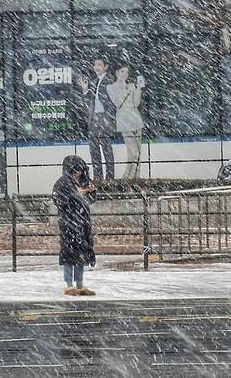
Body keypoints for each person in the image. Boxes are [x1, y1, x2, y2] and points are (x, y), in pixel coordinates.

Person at [52, 155, 97, 296]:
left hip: (82, 222)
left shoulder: (84, 181)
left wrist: (90, 191)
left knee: (82, 252)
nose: (80, 173)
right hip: (68, 222)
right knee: (69, 252)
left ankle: (80, 284)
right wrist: (79, 193)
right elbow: (61, 199)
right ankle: (69, 284)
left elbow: (90, 200)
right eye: (77, 170)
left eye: (82, 170)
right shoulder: (62, 183)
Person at [77, 57, 116, 181]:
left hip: (104, 120)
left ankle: (110, 179)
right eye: (95, 65)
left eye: (99, 64)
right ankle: (98, 178)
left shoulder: (110, 81)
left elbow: (113, 102)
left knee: (107, 151)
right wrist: (84, 90)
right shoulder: (93, 81)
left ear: (106, 66)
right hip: (94, 120)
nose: (96, 67)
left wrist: (108, 118)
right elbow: (88, 103)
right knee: (94, 152)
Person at [106, 62, 144, 180]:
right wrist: (125, 90)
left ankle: (135, 177)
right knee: (134, 152)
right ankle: (128, 176)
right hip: (125, 122)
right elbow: (118, 103)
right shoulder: (111, 87)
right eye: (122, 71)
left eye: (126, 72)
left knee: (136, 153)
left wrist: (138, 89)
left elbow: (136, 103)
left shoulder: (132, 86)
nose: (124, 74)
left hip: (136, 120)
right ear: (117, 73)